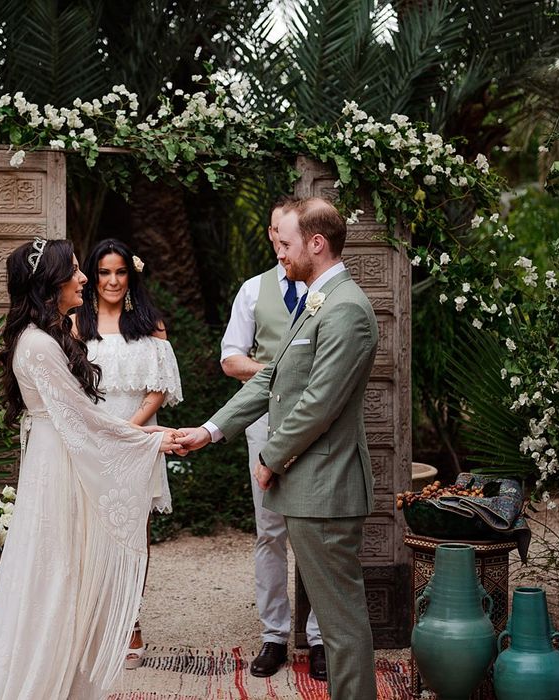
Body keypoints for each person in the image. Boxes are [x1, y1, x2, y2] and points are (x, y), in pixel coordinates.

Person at [0, 238, 183, 700]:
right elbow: (81, 420)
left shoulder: (45, 337)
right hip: (59, 466)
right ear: (51, 282)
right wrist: (154, 437)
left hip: (61, 458)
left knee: (65, 572)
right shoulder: (39, 345)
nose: (86, 279)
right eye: (78, 271)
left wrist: (148, 435)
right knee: (54, 573)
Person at [177, 197, 379, 699]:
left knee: (341, 626)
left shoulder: (347, 309)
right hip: (309, 486)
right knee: (336, 623)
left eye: (285, 243)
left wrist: (269, 457)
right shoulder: (316, 300)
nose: (279, 252)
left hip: (326, 486)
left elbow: (318, 402)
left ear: (316, 243)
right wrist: (210, 430)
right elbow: (272, 377)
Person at [220, 196, 323, 679]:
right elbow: (230, 359)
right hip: (264, 421)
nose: (285, 251)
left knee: (316, 531)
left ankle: (320, 638)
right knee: (271, 530)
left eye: (292, 242)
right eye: (280, 241)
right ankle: (275, 635)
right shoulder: (251, 291)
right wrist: (278, 373)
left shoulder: (325, 290)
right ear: (271, 235)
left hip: (318, 423)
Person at [75, 238, 182, 669]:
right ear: (93, 276)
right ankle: (94, 624)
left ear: (131, 275)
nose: (113, 280)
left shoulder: (150, 323)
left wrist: (129, 430)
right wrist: (100, 432)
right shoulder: (76, 325)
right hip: (91, 441)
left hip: (137, 442)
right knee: (91, 532)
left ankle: (130, 622)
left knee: (134, 536)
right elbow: (70, 386)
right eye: (104, 272)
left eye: (120, 272)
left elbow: (159, 387)